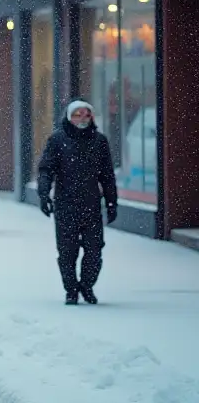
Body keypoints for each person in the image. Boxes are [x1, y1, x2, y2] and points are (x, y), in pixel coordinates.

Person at [37, 100, 118, 305]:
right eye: (77, 114)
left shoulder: (99, 141)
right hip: (65, 204)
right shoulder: (57, 140)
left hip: (91, 204)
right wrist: (44, 194)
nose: (82, 118)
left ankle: (87, 285)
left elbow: (107, 175)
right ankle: (71, 289)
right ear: (69, 117)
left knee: (94, 250)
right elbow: (46, 169)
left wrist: (111, 202)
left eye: (86, 115)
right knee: (67, 251)